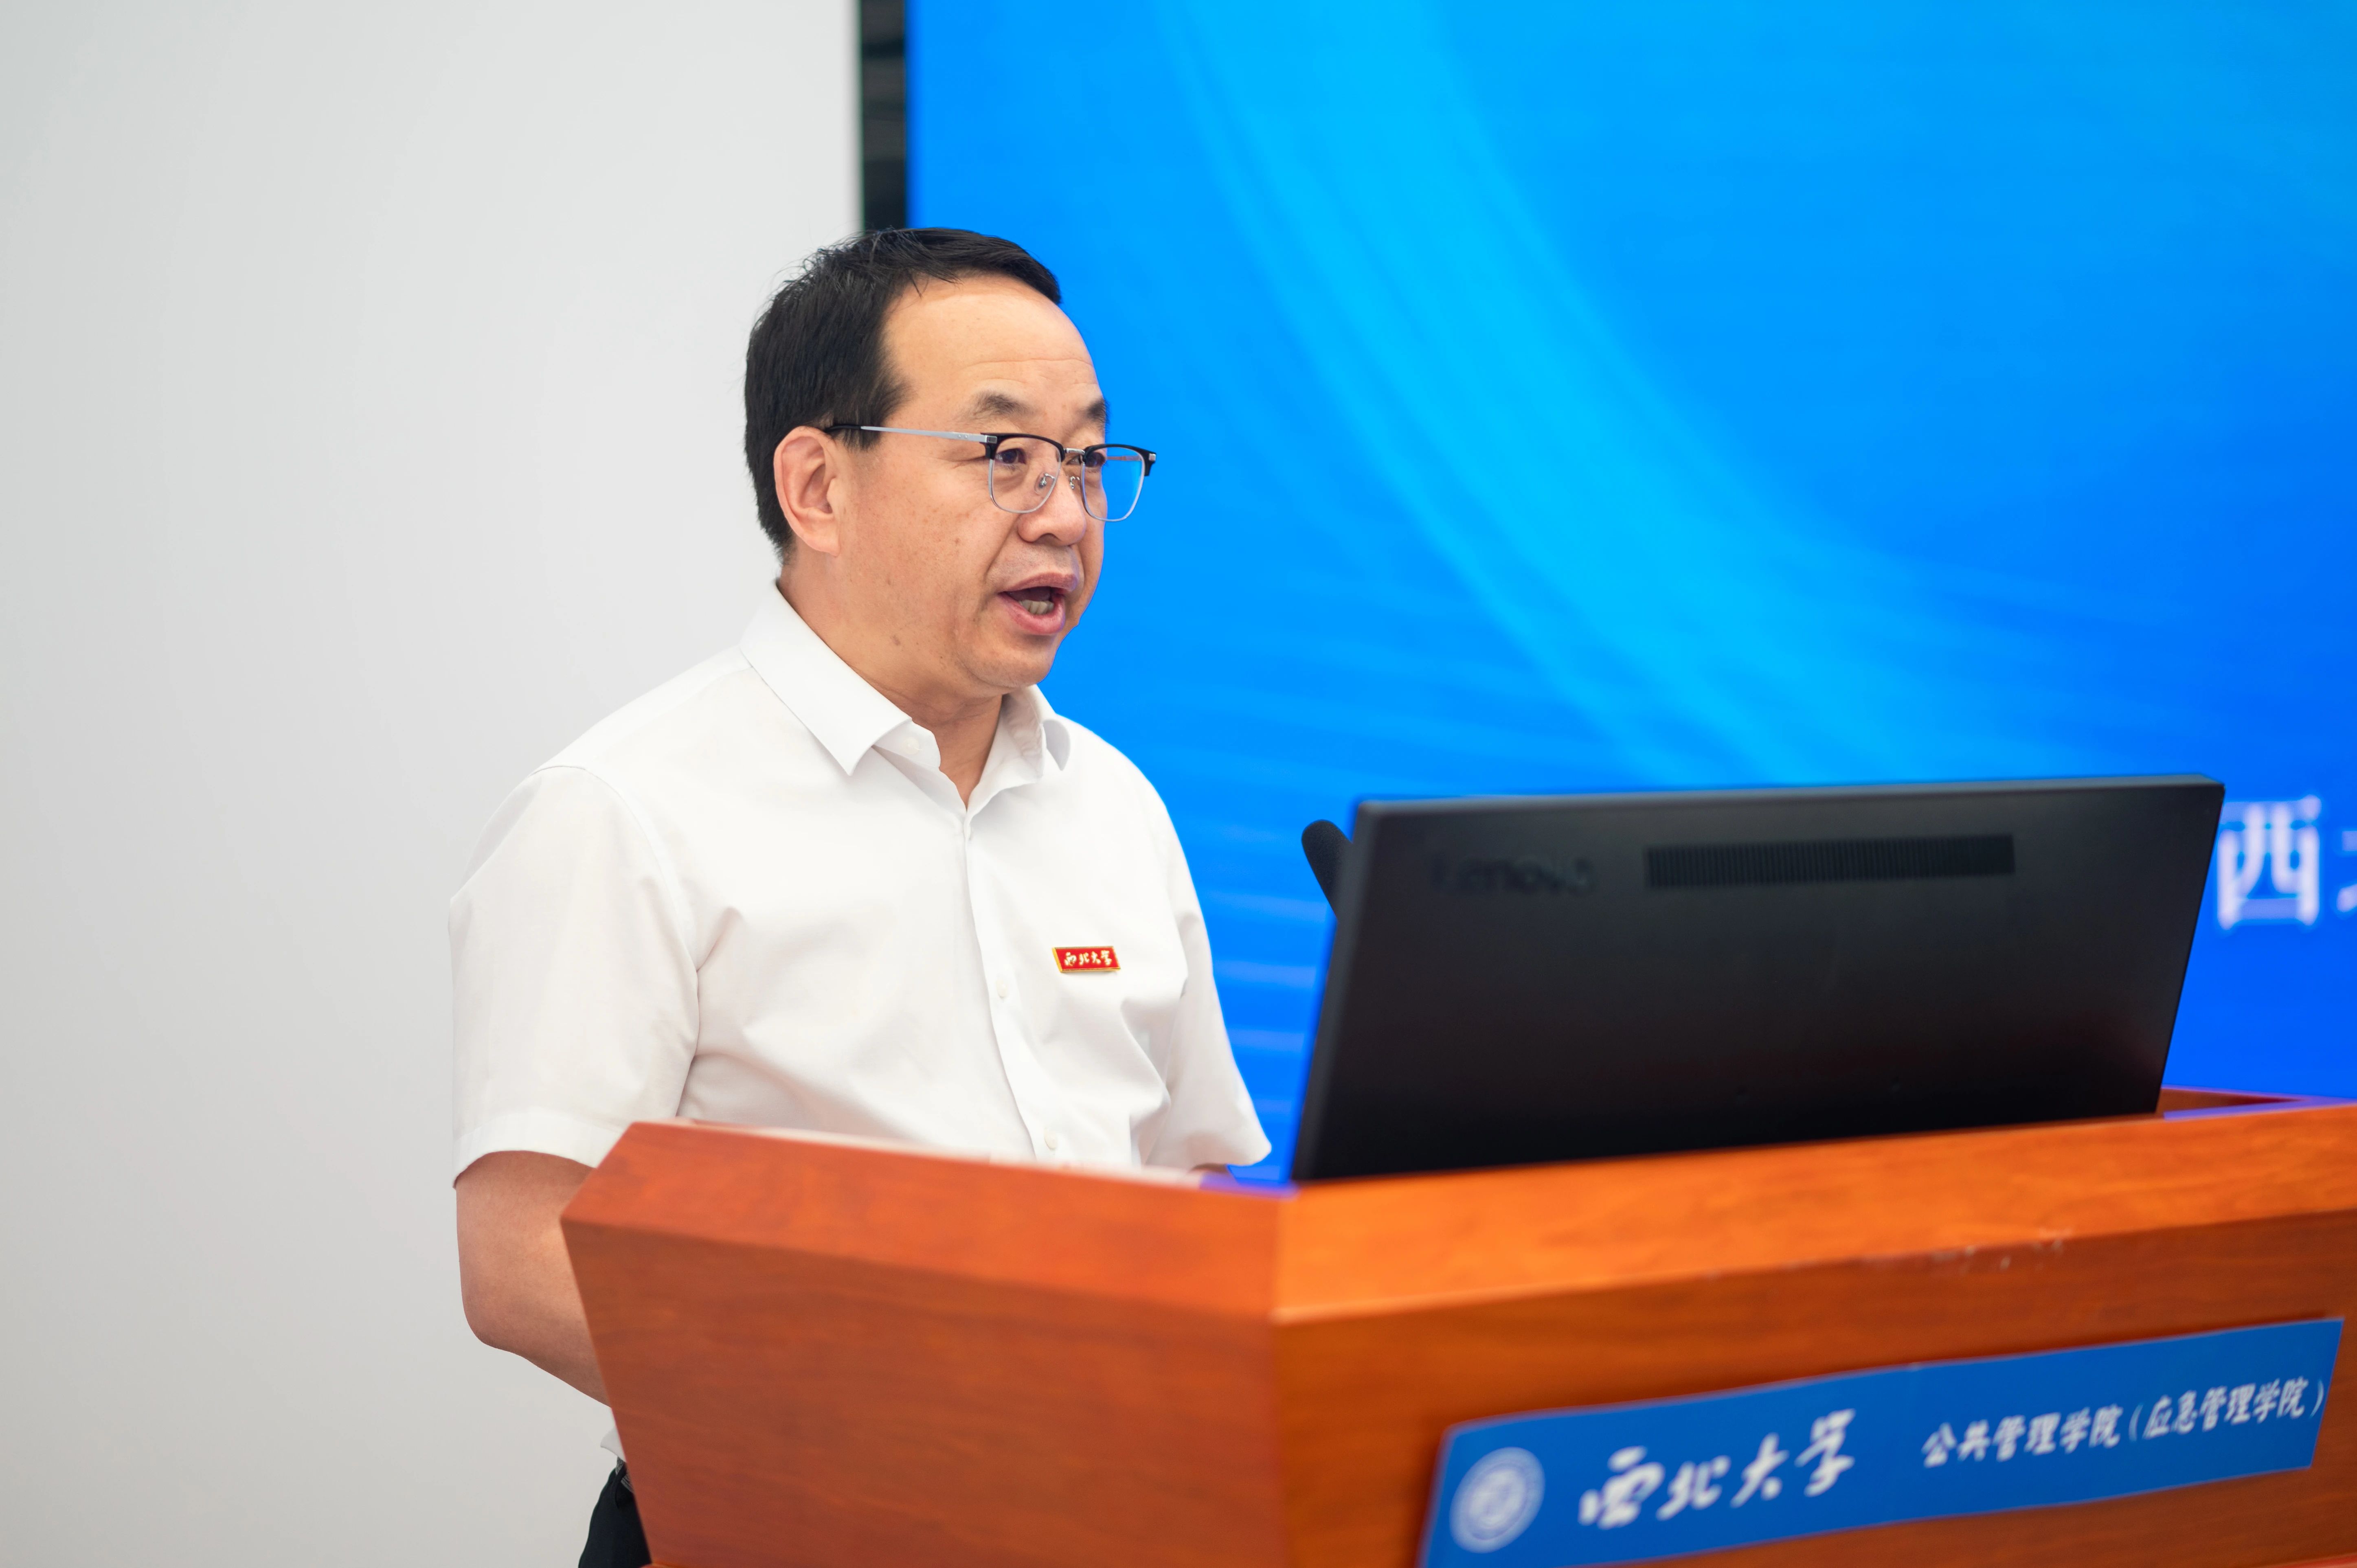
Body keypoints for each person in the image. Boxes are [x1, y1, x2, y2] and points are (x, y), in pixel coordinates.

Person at [448, 228, 1269, 1567]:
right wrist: (906, 1431)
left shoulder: (1114, 801)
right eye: (1002, 454)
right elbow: (525, 1258)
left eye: (1084, 459)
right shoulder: (625, 808)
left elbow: (1178, 1173)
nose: (1063, 514)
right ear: (818, 485)